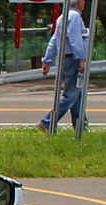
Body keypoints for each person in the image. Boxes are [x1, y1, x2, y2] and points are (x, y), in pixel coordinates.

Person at [37, 0, 88, 132]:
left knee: (77, 95)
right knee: (71, 95)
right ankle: (47, 121)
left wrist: (47, 60)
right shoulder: (75, 17)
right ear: (77, 2)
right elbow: (76, 40)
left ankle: (81, 128)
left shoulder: (62, 17)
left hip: (65, 59)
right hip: (73, 59)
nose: (84, 2)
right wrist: (81, 58)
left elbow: (54, 40)